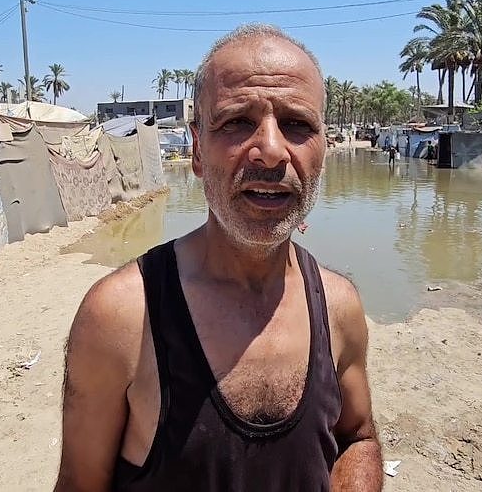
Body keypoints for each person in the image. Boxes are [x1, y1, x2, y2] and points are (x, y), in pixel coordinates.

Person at [55, 24, 383, 492]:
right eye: (236, 123)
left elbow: (357, 438)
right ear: (195, 150)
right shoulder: (123, 318)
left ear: (323, 150)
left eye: (297, 124)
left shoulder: (340, 306)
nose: (271, 152)